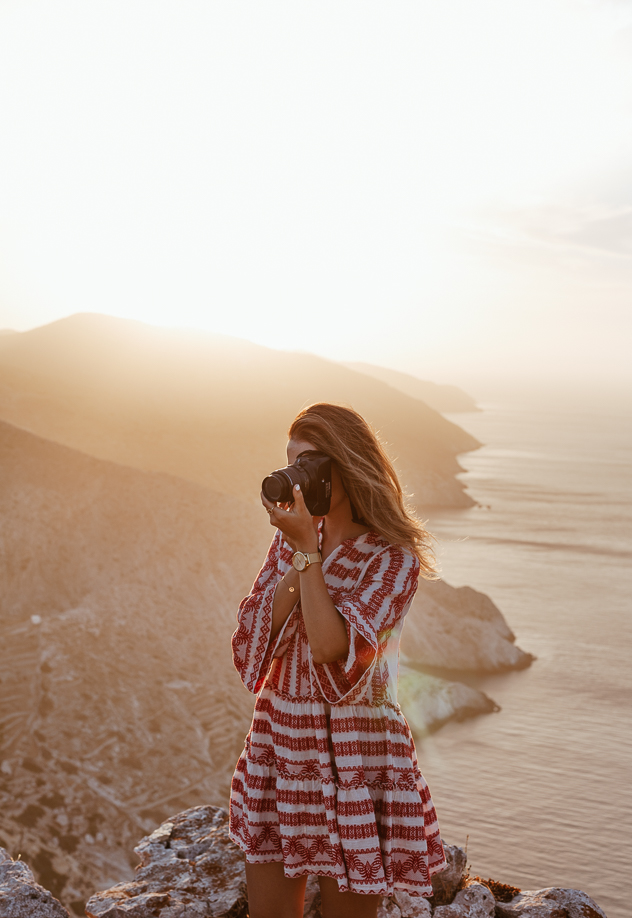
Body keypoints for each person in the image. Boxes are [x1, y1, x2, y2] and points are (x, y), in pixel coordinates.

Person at [229, 403, 446, 918]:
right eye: (290, 464)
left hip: (359, 752)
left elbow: (334, 650)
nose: (296, 478)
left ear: (345, 469)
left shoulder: (393, 559)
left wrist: (307, 553)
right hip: (283, 739)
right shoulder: (293, 542)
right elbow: (252, 642)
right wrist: (301, 548)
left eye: (309, 466)